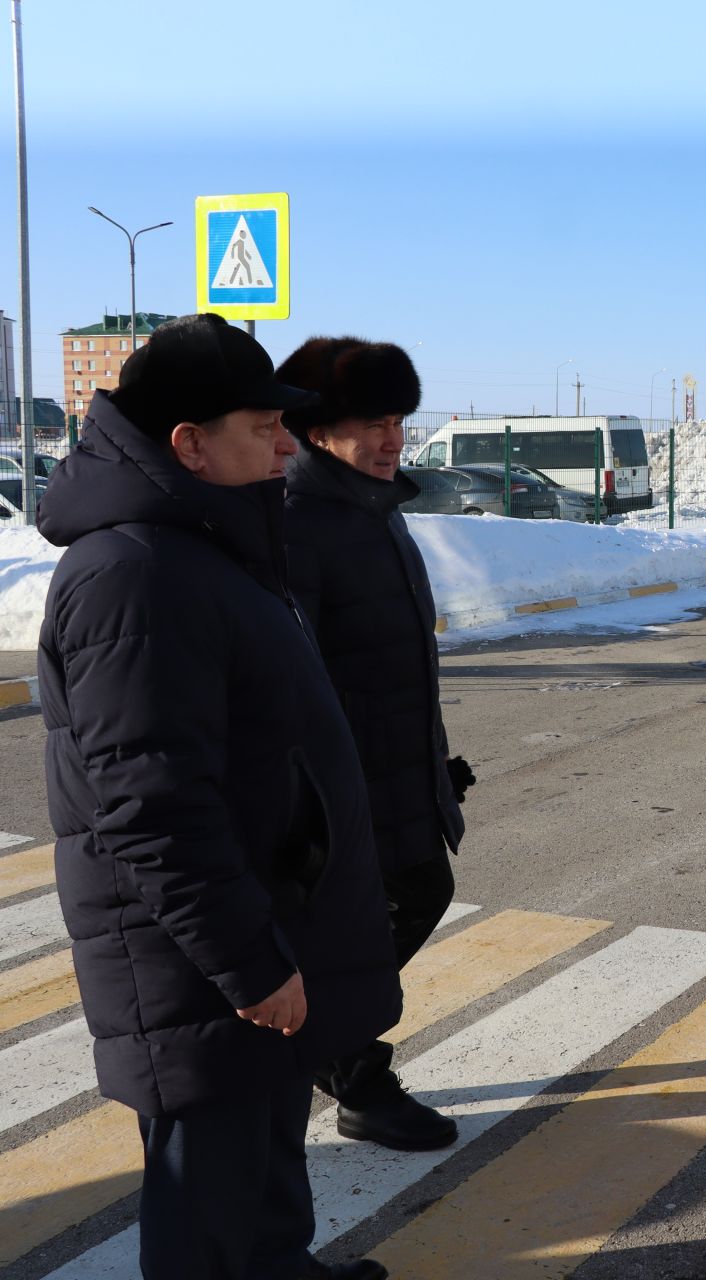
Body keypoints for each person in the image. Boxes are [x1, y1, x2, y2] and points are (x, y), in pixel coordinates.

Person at [35, 313, 399, 1279]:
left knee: (263, 1159)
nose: (286, 444)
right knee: (209, 1202)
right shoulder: (135, 574)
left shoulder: (205, 545)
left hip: (257, 925)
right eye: (260, 427)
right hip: (203, 963)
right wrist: (248, 964)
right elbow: (152, 806)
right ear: (189, 445)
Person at [276, 337, 470, 1152]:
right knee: (375, 918)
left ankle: (332, 1052)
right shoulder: (297, 525)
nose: (393, 439)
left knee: (417, 896)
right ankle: (345, 1067)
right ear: (319, 430)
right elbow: (291, 684)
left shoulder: (378, 516)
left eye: (397, 421)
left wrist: (433, 770)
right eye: (372, 424)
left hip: (395, 774)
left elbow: (396, 666)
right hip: (341, 790)